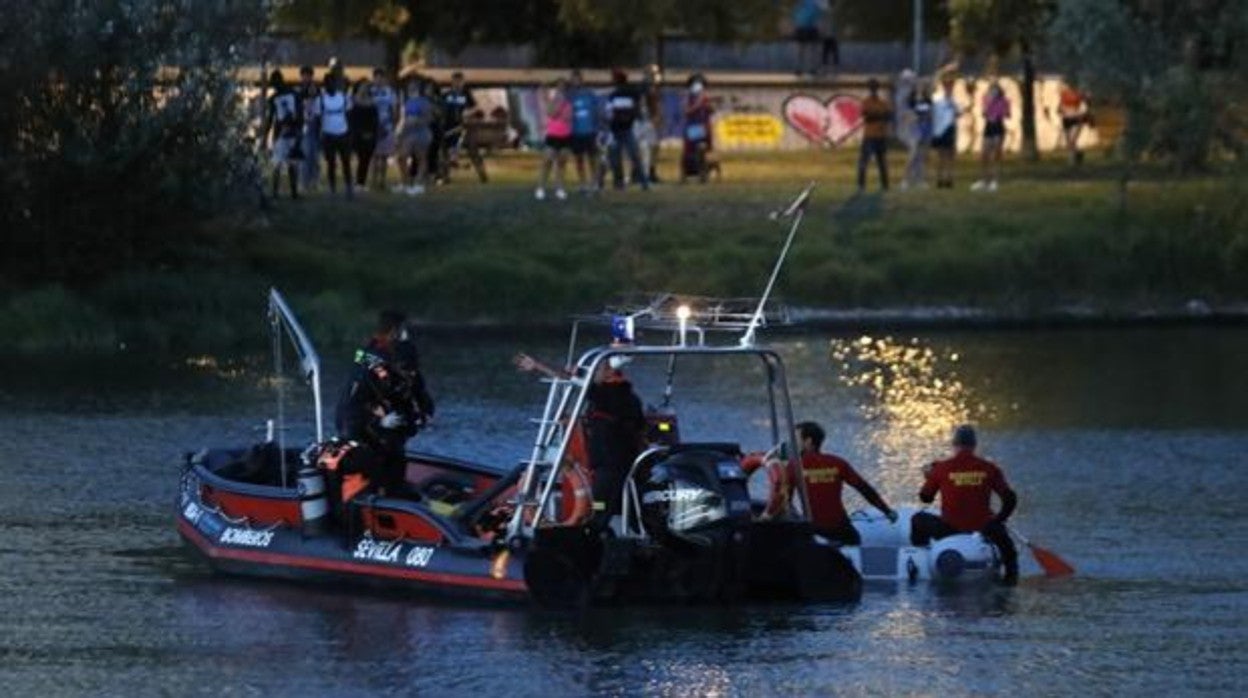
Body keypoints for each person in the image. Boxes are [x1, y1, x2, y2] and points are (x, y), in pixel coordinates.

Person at [515, 351, 646, 529]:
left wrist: (538, 366)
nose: (592, 373)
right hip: (611, 464)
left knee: (600, 504)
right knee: (614, 503)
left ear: (609, 372)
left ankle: (596, 534)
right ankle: (617, 530)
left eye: (597, 369)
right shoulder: (622, 395)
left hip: (611, 466)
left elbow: (573, 380)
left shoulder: (610, 394)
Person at [334, 311, 435, 498]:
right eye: (402, 330)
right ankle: (377, 493)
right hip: (365, 431)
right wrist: (377, 421)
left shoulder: (405, 359)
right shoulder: (370, 363)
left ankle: (396, 489)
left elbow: (418, 390)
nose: (410, 374)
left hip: (393, 428)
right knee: (378, 462)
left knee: (395, 459)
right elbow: (350, 410)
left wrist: (425, 412)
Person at [910, 425, 1020, 586]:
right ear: (974, 445)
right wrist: (999, 519)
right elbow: (1010, 498)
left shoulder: (941, 468)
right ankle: (1011, 576)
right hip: (983, 529)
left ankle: (921, 558)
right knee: (1007, 547)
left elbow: (925, 498)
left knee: (917, 519)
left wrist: (929, 477)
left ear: (955, 445)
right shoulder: (989, 468)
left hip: (948, 530)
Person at [795, 422, 897, 545]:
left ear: (808, 441)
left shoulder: (793, 467)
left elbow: (784, 502)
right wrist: (887, 511)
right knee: (854, 539)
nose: (792, 444)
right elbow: (864, 489)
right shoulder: (838, 463)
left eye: (796, 439)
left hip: (813, 529)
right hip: (840, 528)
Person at [262, 69, 303, 200]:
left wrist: (265, 136)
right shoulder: (281, 96)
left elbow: (271, 119)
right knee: (282, 163)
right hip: (284, 131)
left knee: (288, 163)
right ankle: (282, 192)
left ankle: (288, 192)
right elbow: (270, 118)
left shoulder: (287, 96)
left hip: (288, 130)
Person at [606, 69, 649, 192]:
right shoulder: (630, 92)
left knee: (617, 157)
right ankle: (643, 182)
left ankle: (619, 183)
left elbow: (609, 113)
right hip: (625, 128)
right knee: (634, 156)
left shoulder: (615, 95)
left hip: (620, 129)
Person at [316, 71, 353, 199]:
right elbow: (318, 116)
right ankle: (332, 188)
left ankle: (349, 187)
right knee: (331, 163)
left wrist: (349, 132)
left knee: (346, 162)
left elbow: (349, 114)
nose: (329, 85)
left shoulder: (343, 97)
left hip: (343, 132)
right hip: (328, 133)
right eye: (327, 83)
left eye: (332, 83)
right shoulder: (320, 99)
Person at [535, 78, 572, 201]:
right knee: (547, 162)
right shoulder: (552, 100)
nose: (561, 90)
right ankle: (540, 188)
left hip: (565, 135)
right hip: (552, 135)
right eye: (559, 87)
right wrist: (558, 104)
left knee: (562, 163)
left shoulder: (568, 103)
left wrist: (561, 110)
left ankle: (559, 189)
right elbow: (551, 113)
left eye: (563, 88)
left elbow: (568, 118)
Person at [398, 77, 436, 195]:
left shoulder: (424, 102)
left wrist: (417, 121)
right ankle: (406, 182)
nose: (411, 87)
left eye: (414, 85)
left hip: (421, 132)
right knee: (401, 157)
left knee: (421, 158)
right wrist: (401, 131)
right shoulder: (407, 101)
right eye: (410, 85)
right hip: (409, 133)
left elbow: (429, 118)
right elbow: (404, 118)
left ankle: (418, 184)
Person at [438, 71, 477, 183]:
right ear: (452, 82)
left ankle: (452, 164)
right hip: (445, 125)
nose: (458, 83)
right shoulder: (446, 94)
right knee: (444, 151)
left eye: (460, 81)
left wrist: (467, 112)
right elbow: (440, 107)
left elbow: (475, 107)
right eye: (455, 81)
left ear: (463, 82)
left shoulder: (466, 95)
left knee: (453, 149)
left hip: (459, 125)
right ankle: (445, 176)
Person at [568, 69, 602, 194]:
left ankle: (595, 182)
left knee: (592, 158)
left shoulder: (590, 94)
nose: (575, 81)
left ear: (581, 80)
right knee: (578, 158)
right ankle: (582, 183)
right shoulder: (569, 96)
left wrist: (598, 127)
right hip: (575, 132)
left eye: (577, 79)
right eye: (573, 79)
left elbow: (597, 111)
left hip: (590, 131)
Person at [972, 80, 1010, 191]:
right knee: (984, 155)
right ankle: (983, 180)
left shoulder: (1003, 101)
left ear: (999, 91)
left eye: (995, 89)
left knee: (995, 155)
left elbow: (1007, 114)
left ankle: (995, 181)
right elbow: (984, 113)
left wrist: (1000, 112)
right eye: (991, 89)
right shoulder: (986, 99)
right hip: (988, 127)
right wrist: (989, 103)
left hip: (998, 126)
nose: (993, 91)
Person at [857, 78, 892, 193]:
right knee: (864, 162)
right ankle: (861, 185)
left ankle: (885, 185)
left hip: (879, 135)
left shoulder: (882, 103)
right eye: (872, 87)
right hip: (870, 135)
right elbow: (867, 117)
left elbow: (888, 116)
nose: (873, 90)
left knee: (881, 162)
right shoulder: (867, 102)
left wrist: (876, 115)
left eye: (874, 87)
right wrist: (880, 116)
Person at [680, 73, 714, 184]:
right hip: (692, 126)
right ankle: (686, 174)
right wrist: (698, 103)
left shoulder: (705, 96)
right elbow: (686, 111)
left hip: (704, 125)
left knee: (704, 151)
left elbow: (711, 110)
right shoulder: (688, 96)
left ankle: (704, 173)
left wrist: (708, 105)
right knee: (689, 151)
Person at [370, 68, 399, 190]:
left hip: (386, 126)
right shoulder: (370, 91)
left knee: (384, 156)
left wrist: (392, 124)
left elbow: (394, 110)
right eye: (376, 77)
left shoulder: (390, 92)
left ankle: (382, 181)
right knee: (374, 156)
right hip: (372, 127)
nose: (379, 80)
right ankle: (373, 181)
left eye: (381, 77)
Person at [931, 72, 961, 189]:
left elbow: (958, 113)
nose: (949, 87)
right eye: (947, 85)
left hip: (950, 129)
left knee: (950, 155)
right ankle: (939, 179)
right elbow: (934, 114)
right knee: (940, 156)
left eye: (950, 85)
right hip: (939, 130)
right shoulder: (937, 99)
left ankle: (949, 178)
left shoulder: (954, 100)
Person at [348, 79, 379, 189]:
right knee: (356, 158)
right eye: (362, 86)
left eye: (366, 87)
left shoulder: (372, 103)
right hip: (356, 134)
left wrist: (371, 133)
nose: (364, 89)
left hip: (370, 134)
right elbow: (350, 119)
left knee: (365, 159)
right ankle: (353, 181)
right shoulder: (351, 101)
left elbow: (375, 120)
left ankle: (361, 182)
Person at [903, 79, 933, 190]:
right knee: (912, 155)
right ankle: (905, 180)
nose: (920, 87)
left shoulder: (927, 100)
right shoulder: (911, 100)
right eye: (918, 85)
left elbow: (930, 115)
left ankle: (920, 180)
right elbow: (908, 116)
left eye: (923, 85)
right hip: (914, 130)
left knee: (921, 157)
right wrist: (916, 117)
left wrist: (924, 118)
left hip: (925, 130)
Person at [637, 64, 664, 184]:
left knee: (652, 147)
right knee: (646, 147)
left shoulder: (651, 87)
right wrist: (656, 117)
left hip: (647, 120)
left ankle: (649, 172)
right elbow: (650, 103)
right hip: (645, 120)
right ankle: (643, 173)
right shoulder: (646, 88)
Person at [295, 65, 321, 192]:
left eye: (308, 75)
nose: (306, 78)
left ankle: (314, 181)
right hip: (303, 124)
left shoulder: (316, 89)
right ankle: (303, 181)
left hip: (314, 125)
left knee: (314, 155)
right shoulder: (299, 91)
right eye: (304, 75)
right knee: (304, 154)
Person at [1057, 83, 1089, 166]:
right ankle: (1076, 156)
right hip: (1067, 119)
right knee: (1069, 142)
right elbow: (1060, 107)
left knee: (1072, 140)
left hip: (1077, 119)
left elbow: (1084, 106)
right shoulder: (1063, 95)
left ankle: (1072, 161)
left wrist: (1082, 114)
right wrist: (1061, 110)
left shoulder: (1079, 94)